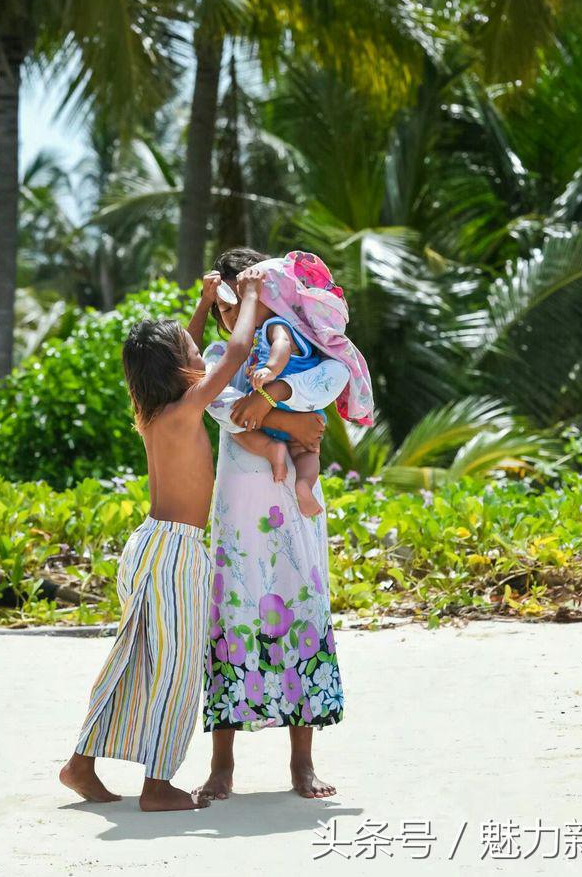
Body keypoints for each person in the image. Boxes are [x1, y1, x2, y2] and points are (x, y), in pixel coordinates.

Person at [59, 268, 264, 812]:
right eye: (191, 349)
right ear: (181, 368)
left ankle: (81, 764)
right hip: (176, 552)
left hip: (147, 546)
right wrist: (248, 296)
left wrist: (201, 303)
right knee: (176, 669)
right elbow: (236, 351)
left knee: (133, 660)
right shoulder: (187, 406)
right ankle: (158, 784)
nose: (199, 349)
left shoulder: (153, 411)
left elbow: (185, 355)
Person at [186, 248, 352, 801]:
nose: (235, 312)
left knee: (301, 605)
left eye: (246, 298)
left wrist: (276, 399)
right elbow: (217, 401)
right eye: (227, 305)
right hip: (238, 510)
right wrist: (286, 420)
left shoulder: (298, 342)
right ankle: (222, 765)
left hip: (295, 506)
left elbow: (333, 379)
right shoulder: (220, 355)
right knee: (233, 613)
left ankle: (302, 764)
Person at [222, 283, 326, 518]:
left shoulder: (277, 324)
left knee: (239, 429)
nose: (244, 311)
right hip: (294, 410)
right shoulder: (261, 333)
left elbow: (282, 344)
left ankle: (274, 451)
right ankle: (303, 484)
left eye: (250, 302)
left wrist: (271, 369)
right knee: (305, 453)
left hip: (282, 402)